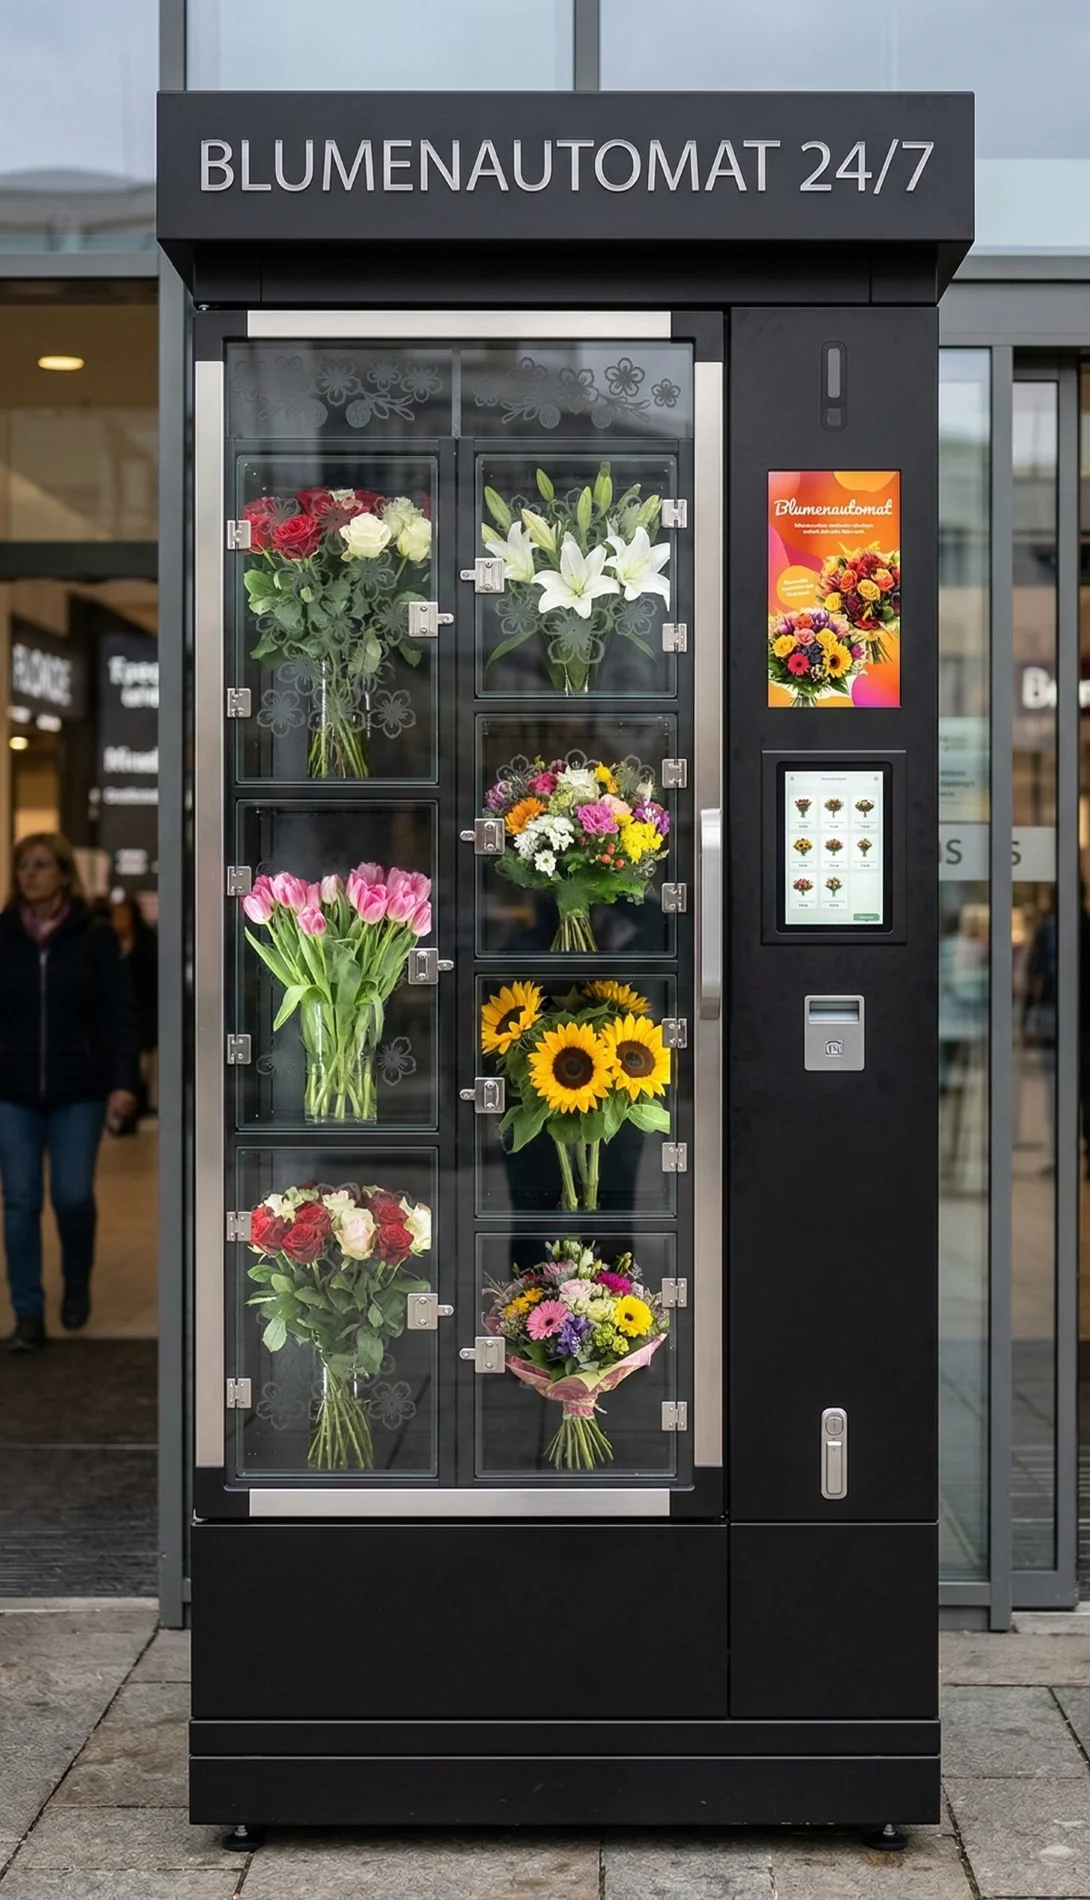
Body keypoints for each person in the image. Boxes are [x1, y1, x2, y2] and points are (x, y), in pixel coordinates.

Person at [0, 834, 139, 1351]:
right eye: (22, 867)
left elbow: (119, 1013)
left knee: (72, 1196)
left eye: (40, 866)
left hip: (78, 1089)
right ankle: (28, 1314)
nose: (29, 876)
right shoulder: (4, 936)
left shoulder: (93, 937)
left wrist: (124, 1082)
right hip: (12, 1091)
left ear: (63, 873)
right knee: (19, 1202)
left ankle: (76, 1278)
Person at [109, 896, 158, 1125]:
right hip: (119, 1020)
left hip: (143, 1019)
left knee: (142, 1068)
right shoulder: (105, 945)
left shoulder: (147, 945)